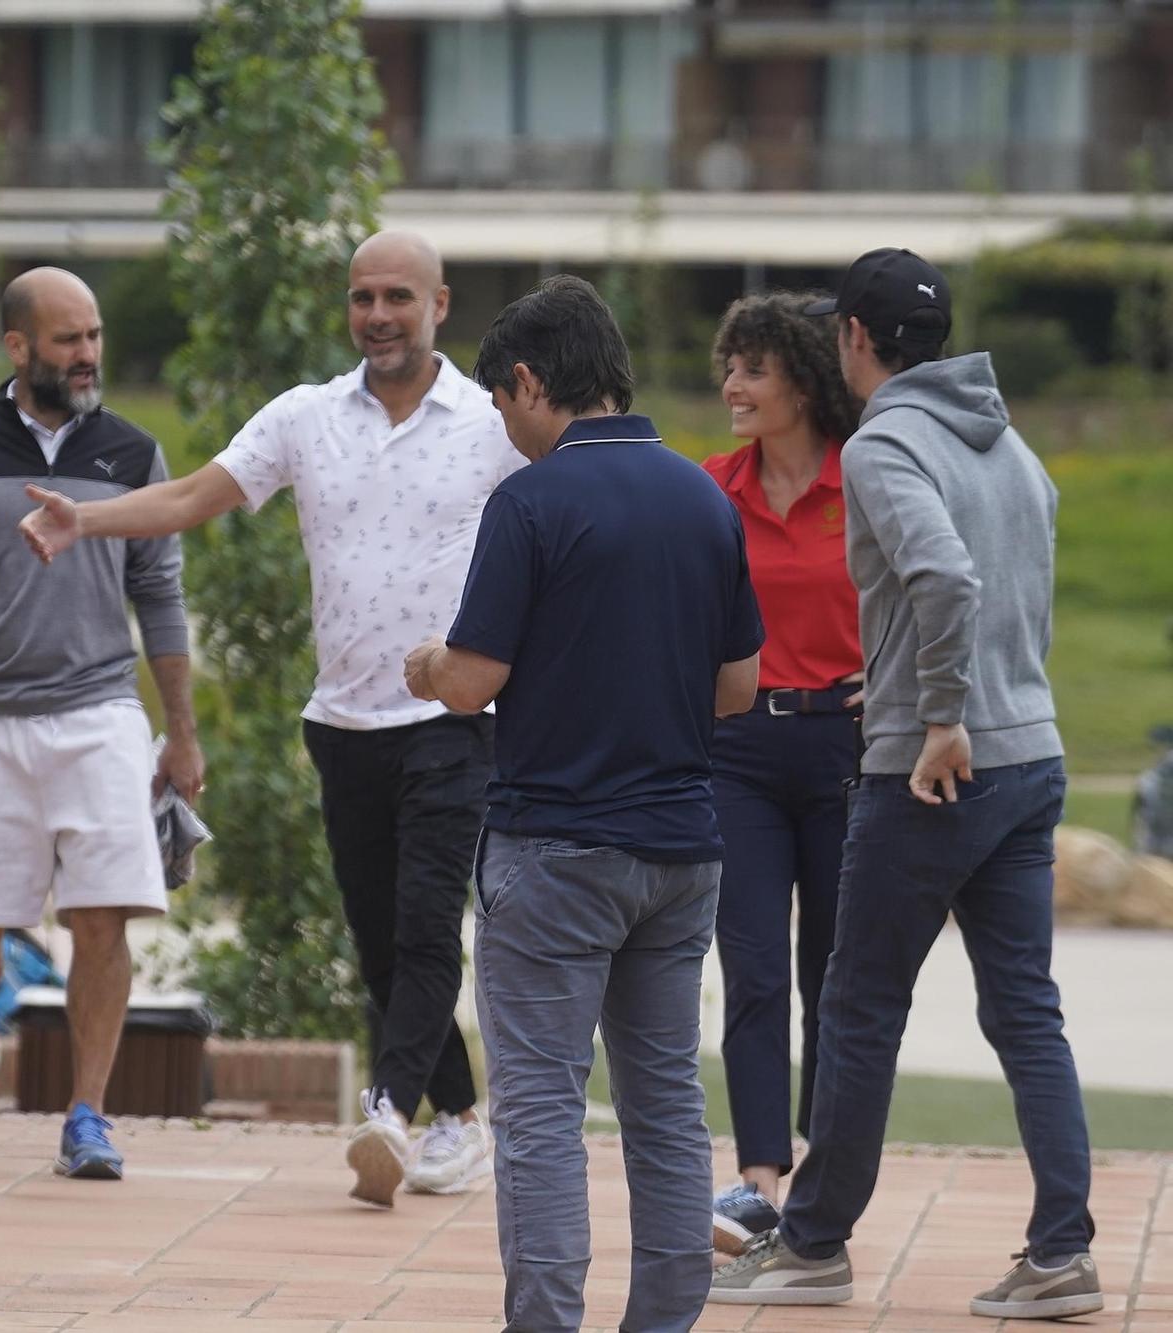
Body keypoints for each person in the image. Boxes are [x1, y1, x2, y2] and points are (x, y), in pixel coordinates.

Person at [18, 231, 516, 1206]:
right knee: (377, 943)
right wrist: (86, 519)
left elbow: (573, 506)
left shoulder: (491, 423)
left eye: (395, 298)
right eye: (360, 297)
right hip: (340, 725)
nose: (375, 315)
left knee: (422, 931)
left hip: (457, 720)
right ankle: (459, 1116)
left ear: (439, 305)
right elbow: (191, 495)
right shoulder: (304, 417)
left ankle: (388, 1112)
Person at [710, 250, 1102, 1320]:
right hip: (1030, 757)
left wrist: (935, 714)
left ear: (847, 337)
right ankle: (1061, 1250)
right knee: (1025, 1011)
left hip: (931, 769)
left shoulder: (885, 443)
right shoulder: (1008, 442)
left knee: (857, 1004)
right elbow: (1019, 567)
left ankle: (813, 1246)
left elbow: (941, 574)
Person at [404, 274, 763, 1332]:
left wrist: (427, 662)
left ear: (527, 381)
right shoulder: (703, 496)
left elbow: (470, 679)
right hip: (679, 851)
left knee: (541, 1117)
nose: (507, 431)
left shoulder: (532, 500)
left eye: (502, 406)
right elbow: (737, 687)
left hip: (552, 848)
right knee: (661, 1110)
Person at [0, 267, 200, 1182]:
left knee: (103, 918)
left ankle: (88, 1113)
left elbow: (163, 598)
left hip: (99, 711)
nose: (89, 353)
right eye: (69, 339)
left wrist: (180, 732)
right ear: (18, 347)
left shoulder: (135, 453)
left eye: (94, 334)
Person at [697, 294, 863, 1253]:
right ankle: (758, 1179)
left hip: (847, 750)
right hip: (741, 753)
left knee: (835, 976)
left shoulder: (870, 482)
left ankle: (826, 1180)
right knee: (753, 966)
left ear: (805, 378)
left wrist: (896, 674)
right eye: (731, 365)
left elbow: (923, 587)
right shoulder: (713, 489)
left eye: (753, 369)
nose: (733, 385)